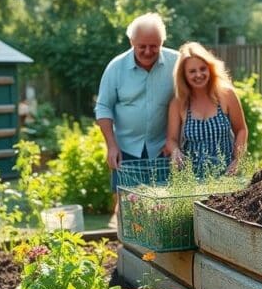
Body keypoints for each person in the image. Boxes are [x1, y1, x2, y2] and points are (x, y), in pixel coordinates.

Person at [94, 13, 179, 191]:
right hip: (126, 150)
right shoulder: (116, 67)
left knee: (163, 205)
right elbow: (103, 107)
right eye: (142, 46)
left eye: (154, 46)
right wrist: (111, 145)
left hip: (163, 150)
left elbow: (189, 99)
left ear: (162, 42)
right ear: (132, 42)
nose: (148, 52)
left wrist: (175, 141)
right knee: (127, 206)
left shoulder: (177, 63)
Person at [165, 42, 248, 175]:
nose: (199, 74)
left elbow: (241, 130)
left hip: (227, 174)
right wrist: (175, 151)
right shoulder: (178, 103)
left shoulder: (227, 94)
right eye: (192, 71)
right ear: (184, 75)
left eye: (202, 69)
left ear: (210, 68)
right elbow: (171, 139)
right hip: (193, 177)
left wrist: (238, 160)